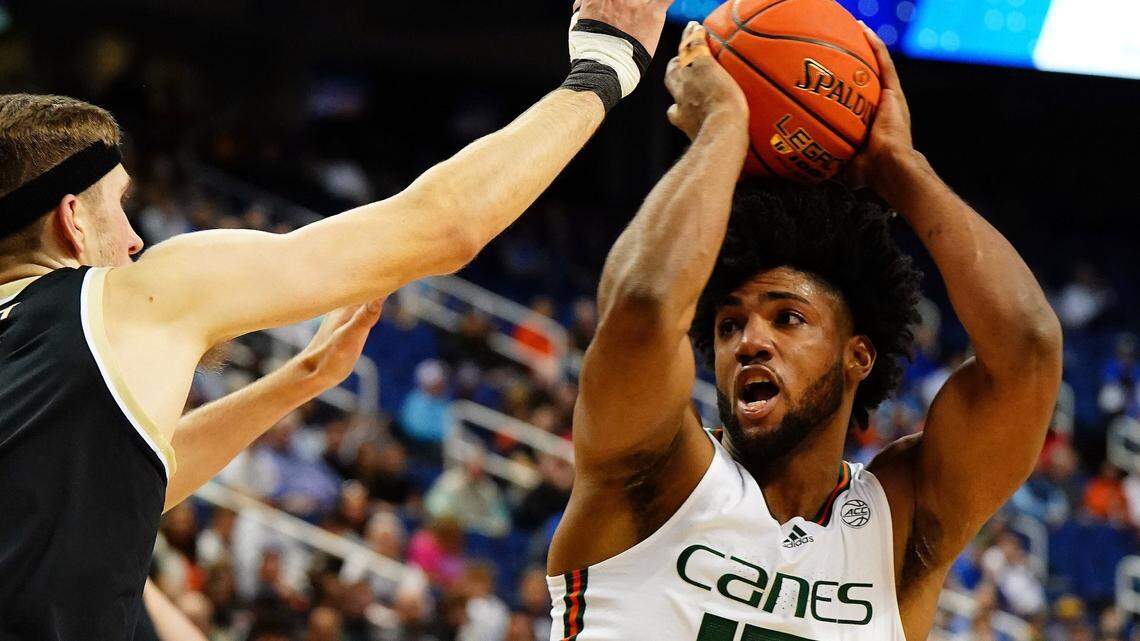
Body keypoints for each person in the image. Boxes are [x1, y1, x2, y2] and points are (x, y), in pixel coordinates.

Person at [0, 1, 673, 637]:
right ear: (72, 220)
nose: (134, 238)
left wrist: (301, 378)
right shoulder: (126, 295)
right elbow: (444, 226)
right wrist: (603, 67)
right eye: (118, 204)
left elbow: (117, 494)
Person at [547, 22, 1062, 641]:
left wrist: (900, 168)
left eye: (787, 317)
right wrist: (723, 130)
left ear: (859, 356)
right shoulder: (656, 475)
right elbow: (642, 306)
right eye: (730, 324)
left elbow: (1028, 351)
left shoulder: (898, 526)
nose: (750, 341)